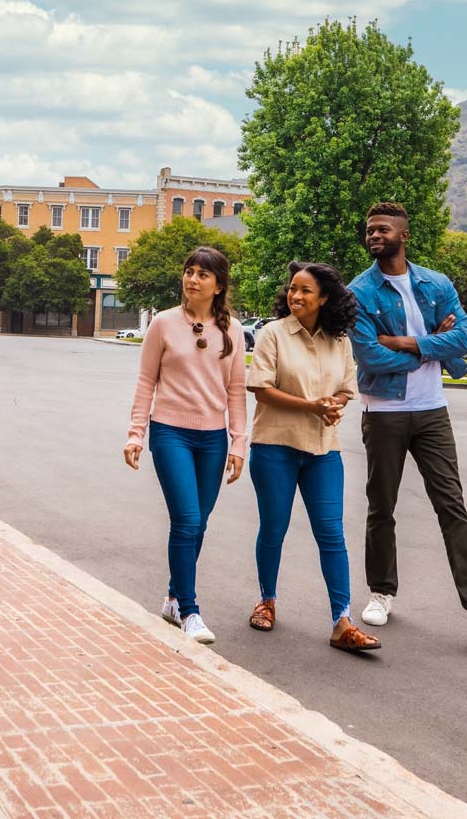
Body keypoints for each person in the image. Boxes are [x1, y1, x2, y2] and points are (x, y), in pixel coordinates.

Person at [347, 201, 467, 640]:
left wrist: (407, 342)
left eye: (383, 229)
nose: (374, 235)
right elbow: (369, 353)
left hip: (431, 412)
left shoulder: (435, 282)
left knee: (452, 505)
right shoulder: (358, 292)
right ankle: (380, 592)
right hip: (384, 411)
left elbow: (462, 338)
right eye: (370, 230)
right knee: (381, 507)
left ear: (403, 235)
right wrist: (430, 345)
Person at [246, 264, 378, 652]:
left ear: (325, 298)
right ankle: (266, 601)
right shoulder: (272, 333)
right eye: (292, 289)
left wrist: (333, 406)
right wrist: (312, 406)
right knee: (274, 529)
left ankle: (342, 622)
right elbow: (261, 389)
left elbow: (344, 389)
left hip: (323, 450)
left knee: (332, 534)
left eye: (305, 291)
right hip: (275, 446)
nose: (296, 296)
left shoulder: (340, 341)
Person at [125, 247, 248, 645]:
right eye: (189, 272)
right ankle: (190, 611)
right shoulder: (162, 324)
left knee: (200, 522)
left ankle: (173, 597)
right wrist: (135, 433)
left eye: (202, 275)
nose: (192, 279)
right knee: (187, 520)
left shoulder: (232, 330)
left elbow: (237, 390)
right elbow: (147, 381)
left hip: (212, 438)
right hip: (170, 432)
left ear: (218, 285)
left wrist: (238, 443)